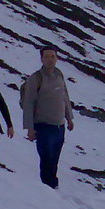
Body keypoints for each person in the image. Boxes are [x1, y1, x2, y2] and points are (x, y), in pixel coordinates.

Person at [21, 45, 74, 189]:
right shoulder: (36, 78)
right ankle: (48, 189)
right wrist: (30, 128)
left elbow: (65, 96)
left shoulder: (59, 74)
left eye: (53, 56)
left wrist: (69, 118)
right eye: (47, 57)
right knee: (46, 159)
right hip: (43, 126)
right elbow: (29, 103)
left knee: (54, 160)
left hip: (59, 126)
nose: (50, 60)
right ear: (41, 59)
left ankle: (53, 188)